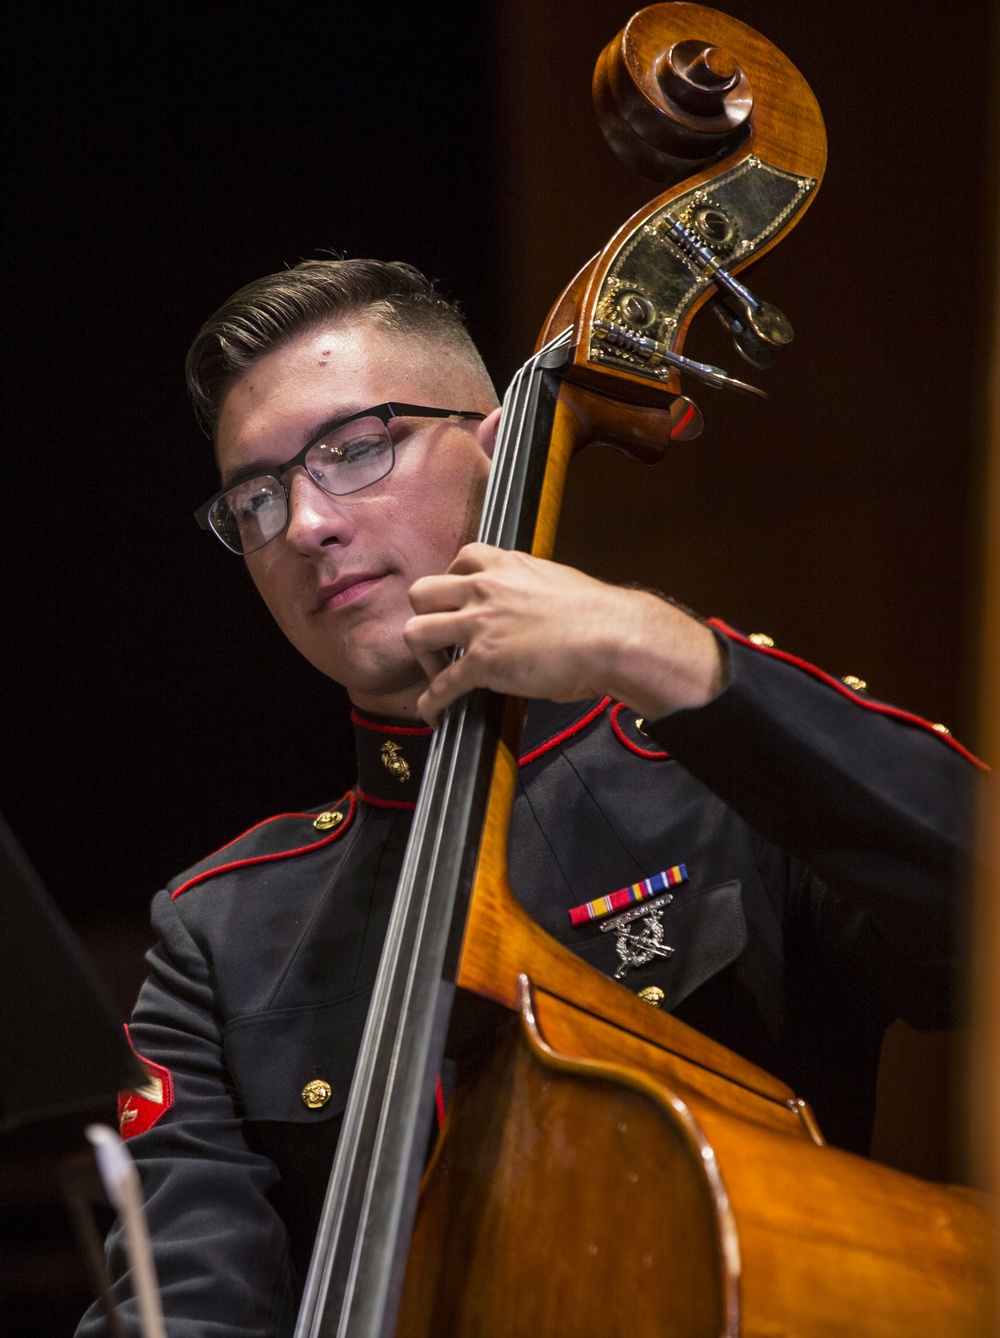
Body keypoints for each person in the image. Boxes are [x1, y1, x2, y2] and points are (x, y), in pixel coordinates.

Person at [78, 258, 980, 1337]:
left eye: (356, 449)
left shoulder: (728, 777)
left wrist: (665, 653)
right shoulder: (219, 932)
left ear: (499, 444)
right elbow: (187, 1304)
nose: (307, 524)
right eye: (258, 496)